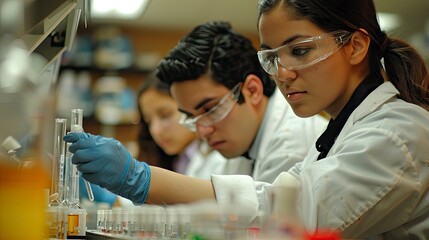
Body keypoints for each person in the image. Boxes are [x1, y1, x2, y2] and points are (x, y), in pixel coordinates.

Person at [63, 0, 429, 237]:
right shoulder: (340, 132)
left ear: (355, 46)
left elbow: (293, 218)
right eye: (273, 58)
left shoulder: (397, 134)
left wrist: (139, 178)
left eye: (300, 51)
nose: (283, 74)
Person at [155, 21, 327, 182]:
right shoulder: (243, 142)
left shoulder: (291, 147)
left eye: (211, 109)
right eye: (192, 118)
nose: (202, 131)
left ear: (253, 90)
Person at [136, 72, 227, 179]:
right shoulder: (175, 160)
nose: (155, 130)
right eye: (148, 121)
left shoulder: (219, 160)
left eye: (165, 116)